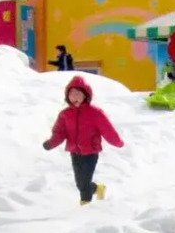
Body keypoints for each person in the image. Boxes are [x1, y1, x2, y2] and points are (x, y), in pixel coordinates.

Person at [42, 74, 124, 205]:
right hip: (74, 152)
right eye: (72, 93)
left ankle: (84, 212)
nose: (74, 97)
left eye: (78, 93)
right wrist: (51, 143)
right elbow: (59, 133)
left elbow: (107, 130)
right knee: (80, 183)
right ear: (67, 96)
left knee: (84, 184)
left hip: (90, 152)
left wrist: (117, 142)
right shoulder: (65, 114)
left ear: (86, 95)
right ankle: (97, 188)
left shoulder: (95, 113)